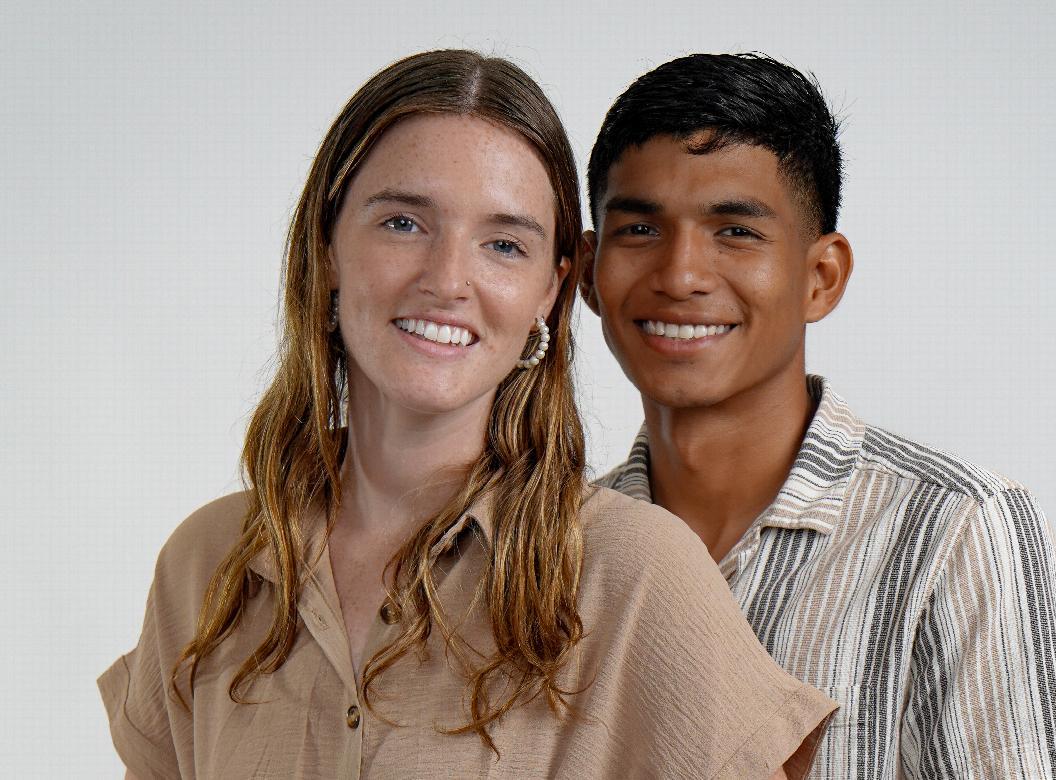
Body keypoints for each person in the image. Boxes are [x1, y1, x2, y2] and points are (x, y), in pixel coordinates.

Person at [98, 50, 838, 780]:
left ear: (550, 291)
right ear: (327, 249)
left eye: (504, 245)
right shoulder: (205, 566)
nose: (448, 279)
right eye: (403, 224)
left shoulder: (636, 570)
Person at [581, 53, 1056, 779]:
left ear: (821, 277)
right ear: (588, 270)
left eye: (736, 231)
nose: (681, 275)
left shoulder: (956, 530)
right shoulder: (555, 549)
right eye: (640, 229)